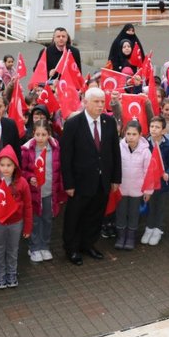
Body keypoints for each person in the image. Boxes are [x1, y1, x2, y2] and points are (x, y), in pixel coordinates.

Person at [60, 88, 122, 266]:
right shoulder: (73, 124)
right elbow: (66, 156)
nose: (101, 105)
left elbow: (114, 152)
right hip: (79, 182)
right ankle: (71, 248)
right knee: (74, 216)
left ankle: (88, 244)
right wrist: (69, 183)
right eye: (96, 102)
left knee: (95, 215)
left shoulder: (109, 122)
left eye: (103, 101)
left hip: (102, 182)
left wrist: (116, 178)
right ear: (85, 102)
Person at [0, 145, 32, 289]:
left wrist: (28, 227)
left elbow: (28, 206)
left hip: (15, 223)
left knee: (13, 249)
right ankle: (0, 274)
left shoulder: (22, 183)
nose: (5, 168)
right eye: (2, 165)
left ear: (15, 166)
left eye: (9, 165)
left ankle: (11, 273)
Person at [20, 120, 66, 262]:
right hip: (34, 193)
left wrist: (60, 191)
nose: (40, 138)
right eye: (37, 134)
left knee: (47, 219)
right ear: (33, 133)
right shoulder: (27, 150)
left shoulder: (56, 148)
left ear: (49, 134)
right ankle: (34, 248)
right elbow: (22, 171)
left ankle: (44, 246)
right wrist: (30, 178)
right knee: (35, 221)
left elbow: (59, 170)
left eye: (44, 134)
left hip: (49, 192)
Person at [114, 121, 152, 251]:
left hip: (137, 190)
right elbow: (114, 168)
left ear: (140, 135)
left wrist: (148, 190)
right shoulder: (119, 148)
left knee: (134, 214)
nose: (130, 137)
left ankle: (130, 238)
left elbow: (149, 172)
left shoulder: (145, 152)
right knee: (121, 213)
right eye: (128, 133)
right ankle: (121, 236)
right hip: (121, 189)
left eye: (134, 134)